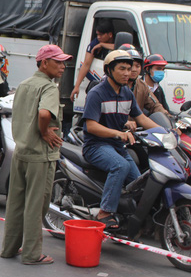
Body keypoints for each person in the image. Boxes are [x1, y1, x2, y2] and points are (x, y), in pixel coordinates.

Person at [1, 45, 71, 265]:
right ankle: (32, 254)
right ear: (44, 63)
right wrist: (44, 132)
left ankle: (9, 248)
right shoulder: (49, 87)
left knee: (15, 203)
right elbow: (43, 113)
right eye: (57, 62)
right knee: (35, 205)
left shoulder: (23, 85)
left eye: (63, 62)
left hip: (21, 150)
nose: (62, 66)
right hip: (40, 155)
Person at [81, 50, 159, 229]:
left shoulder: (126, 93)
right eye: (121, 69)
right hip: (96, 146)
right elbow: (91, 126)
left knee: (139, 181)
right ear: (109, 70)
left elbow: (142, 119)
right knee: (120, 166)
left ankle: (126, 214)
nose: (127, 73)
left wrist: (167, 132)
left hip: (118, 147)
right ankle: (105, 212)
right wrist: (118, 133)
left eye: (129, 69)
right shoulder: (97, 93)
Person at [70, 19, 115, 101]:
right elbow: (86, 64)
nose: (98, 37)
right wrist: (77, 86)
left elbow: (121, 47)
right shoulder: (95, 43)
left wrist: (102, 45)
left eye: (101, 35)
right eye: (97, 35)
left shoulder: (115, 40)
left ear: (110, 34)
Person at [121, 44, 169, 119]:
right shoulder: (115, 85)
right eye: (131, 66)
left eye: (137, 66)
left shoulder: (142, 85)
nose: (134, 69)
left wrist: (169, 118)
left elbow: (155, 105)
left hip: (136, 128)